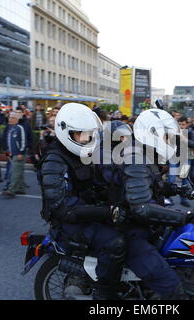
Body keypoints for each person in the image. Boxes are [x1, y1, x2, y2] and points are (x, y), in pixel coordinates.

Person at [39, 103, 127, 300]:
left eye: (89, 134)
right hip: (68, 223)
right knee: (116, 242)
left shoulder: (80, 154)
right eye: (82, 134)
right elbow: (62, 209)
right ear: (66, 133)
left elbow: (96, 183)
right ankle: (104, 293)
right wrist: (105, 212)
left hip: (84, 212)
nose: (87, 139)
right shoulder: (54, 162)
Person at [120, 109, 194, 299]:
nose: (168, 141)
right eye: (165, 136)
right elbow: (141, 208)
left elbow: (152, 186)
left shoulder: (145, 154)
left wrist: (177, 189)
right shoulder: (135, 159)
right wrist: (183, 216)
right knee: (173, 288)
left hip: (143, 226)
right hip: (131, 231)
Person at [2, 113, 27, 198]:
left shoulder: (20, 128)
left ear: (17, 120)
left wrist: (21, 152)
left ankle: (11, 190)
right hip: (13, 154)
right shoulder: (11, 128)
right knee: (19, 172)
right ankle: (21, 189)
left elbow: (23, 141)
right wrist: (9, 152)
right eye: (9, 118)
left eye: (12, 118)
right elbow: (10, 142)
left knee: (15, 173)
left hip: (19, 154)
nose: (10, 119)